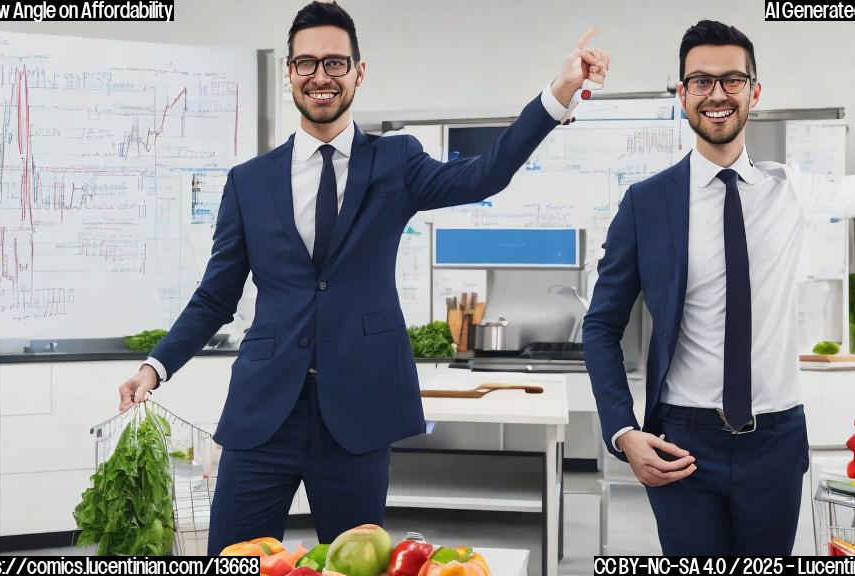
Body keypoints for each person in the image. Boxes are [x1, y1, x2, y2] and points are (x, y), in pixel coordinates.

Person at [116, 1, 609, 554]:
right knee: (235, 561)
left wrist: (557, 94)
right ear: (289, 73)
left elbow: (483, 176)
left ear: (358, 72)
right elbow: (215, 295)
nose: (320, 76)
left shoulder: (396, 162)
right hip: (262, 416)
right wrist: (155, 366)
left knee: (356, 565)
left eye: (334, 63)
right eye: (305, 64)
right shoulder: (249, 182)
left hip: (357, 414)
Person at [583, 20, 855, 555]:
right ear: (682, 95)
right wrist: (622, 430)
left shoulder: (791, 189)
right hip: (682, 438)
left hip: (777, 438)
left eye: (733, 80)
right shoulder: (646, 204)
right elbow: (600, 326)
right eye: (700, 81)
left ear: (754, 92)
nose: (717, 94)